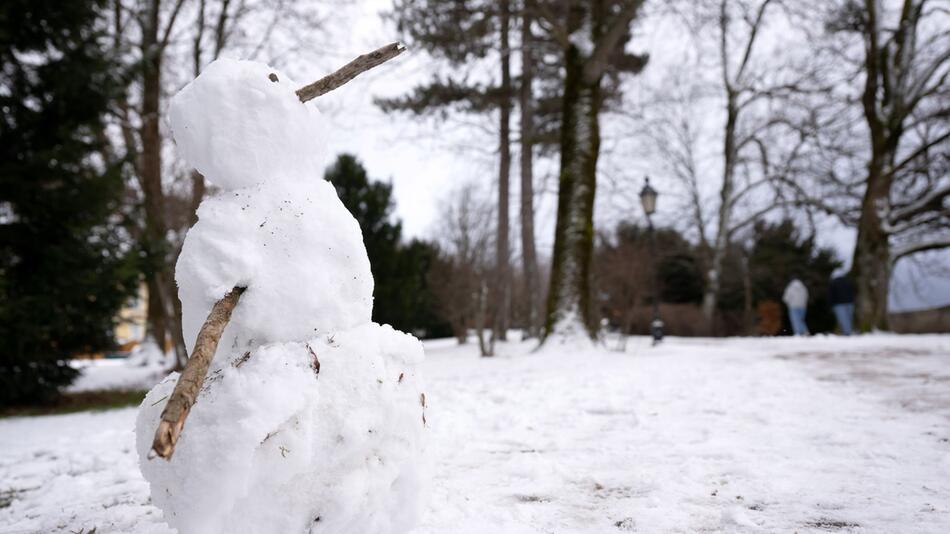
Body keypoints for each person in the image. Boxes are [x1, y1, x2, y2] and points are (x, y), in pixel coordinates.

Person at [828, 271, 855, 335]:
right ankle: (849, 331)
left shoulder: (833, 283)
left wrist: (830, 305)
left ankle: (847, 333)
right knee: (849, 318)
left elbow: (831, 295)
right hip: (850, 302)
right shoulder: (848, 282)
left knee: (843, 319)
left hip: (838, 304)